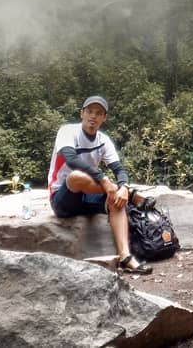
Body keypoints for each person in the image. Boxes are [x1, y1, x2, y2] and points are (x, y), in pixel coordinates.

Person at [47, 95, 155, 274]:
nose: (93, 117)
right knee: (75, 177)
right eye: (89, 111)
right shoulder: (67, 131)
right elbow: (71, 159)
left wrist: (123, 187)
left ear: (104, 118)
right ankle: (134, 195)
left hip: (88, 194)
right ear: (82, 113)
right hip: (62, 198)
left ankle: (126, 258)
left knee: (117, 199)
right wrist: (104, 180)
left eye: (98, 113)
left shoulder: (103, 140)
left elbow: (119, 169)